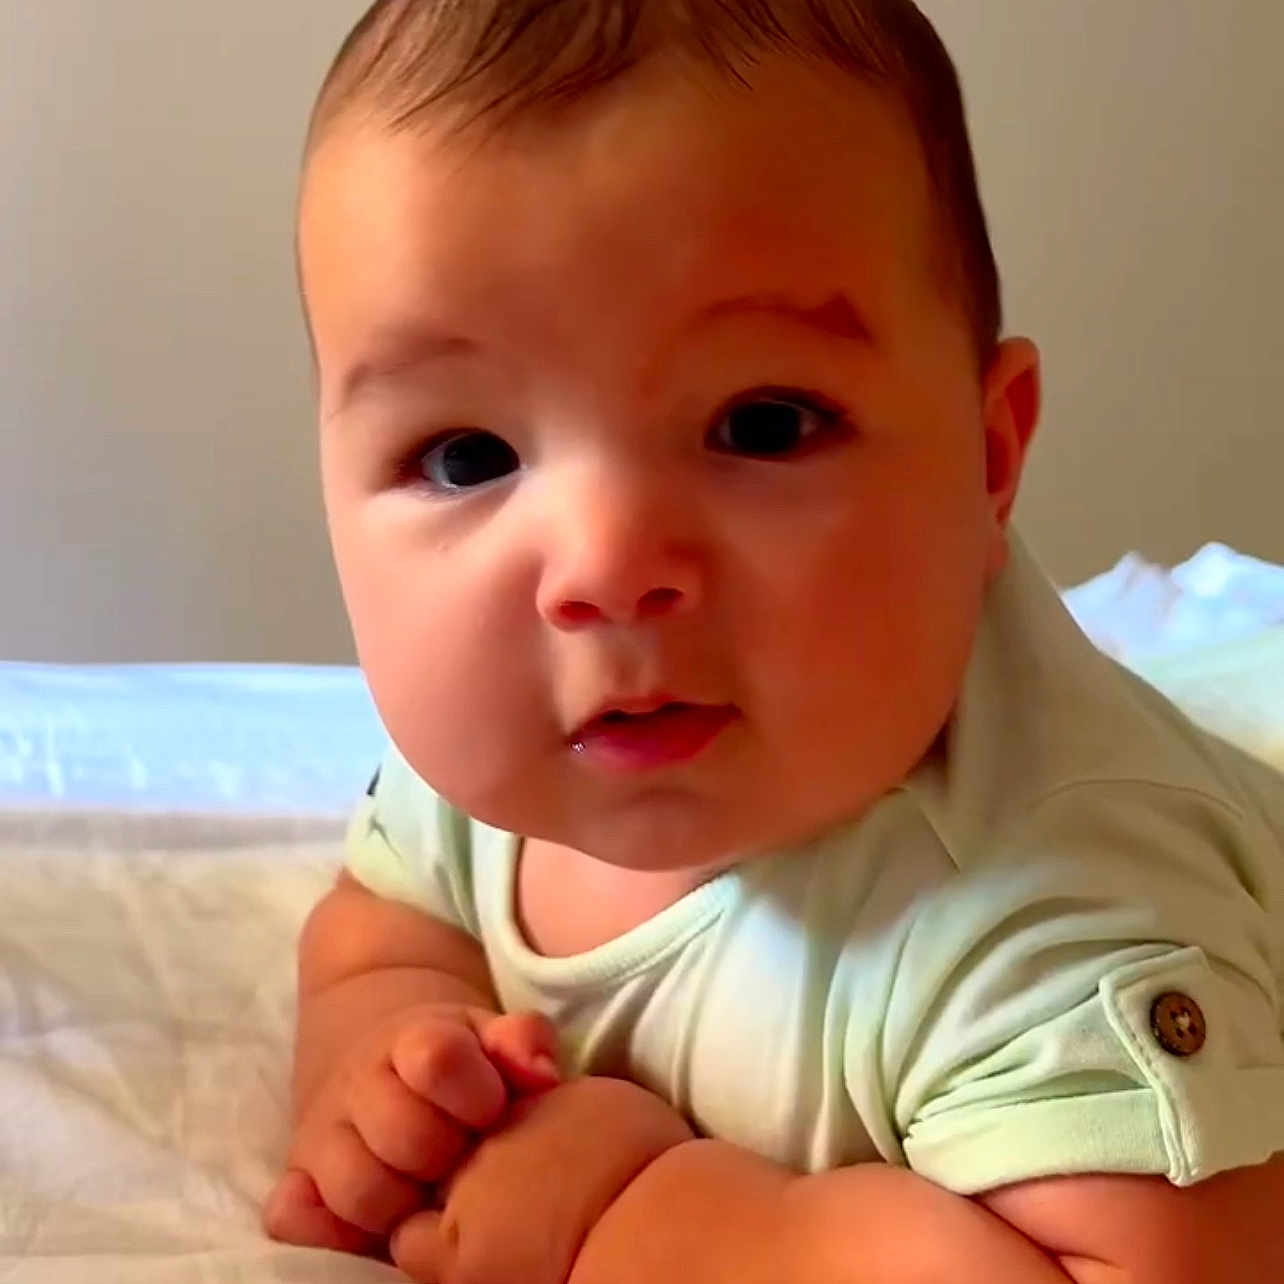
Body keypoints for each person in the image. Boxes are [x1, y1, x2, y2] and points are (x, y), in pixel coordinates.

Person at [264, 0, 1284, 1278]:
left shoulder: (1054, 914)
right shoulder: (499, 756)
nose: (604, 571)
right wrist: (399, 1055)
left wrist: (641, 1210)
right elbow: (382, 923)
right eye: (467, 456)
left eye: (761, 426)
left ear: (989, 456)